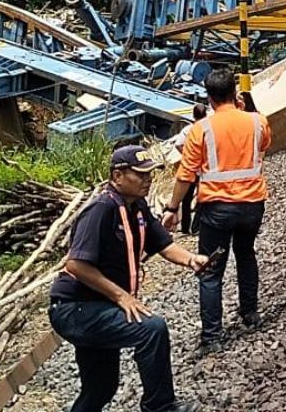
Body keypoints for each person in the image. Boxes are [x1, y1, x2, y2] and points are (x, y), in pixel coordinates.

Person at [48, 145, 206, 412]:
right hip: (74, 308)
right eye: (140, 175)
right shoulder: (101, 209)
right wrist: (122, 296)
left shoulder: (137, 206)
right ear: (117, 176)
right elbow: (75, 265)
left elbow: (164, 244)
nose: (148, 180)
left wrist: (191, 259)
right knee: (151, 328)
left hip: (99, 306)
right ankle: (160, 406)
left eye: (150, 175)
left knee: (101, 387)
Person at [162, 69, 272, 350]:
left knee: (210, 269)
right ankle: (250, 313)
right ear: (235, 93)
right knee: (246, 255)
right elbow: (264, 147)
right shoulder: (258, 122)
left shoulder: (201, 129)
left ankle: (212, 336)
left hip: (217, 209)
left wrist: (172, 208)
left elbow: (186, 174)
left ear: (209, 98)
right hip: (251, 205)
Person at [164, 104, 207, 236]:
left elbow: (178, 144)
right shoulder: (208, 129)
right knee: (202, 198)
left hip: (190, 169)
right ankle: (197, 227)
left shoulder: (188, 130)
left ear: (193, 116)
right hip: (204, 169)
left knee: (186, 200)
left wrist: (187, 154)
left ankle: (185, 228)